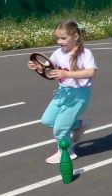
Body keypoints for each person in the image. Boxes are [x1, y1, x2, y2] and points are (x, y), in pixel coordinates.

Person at [29, 20, 96, 164]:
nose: (59, 41)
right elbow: (48, 70)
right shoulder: (58, 53)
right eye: (58, 38)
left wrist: (67, 74)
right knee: (47, 120)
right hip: (62, 93)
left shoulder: (85, 54)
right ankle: (79, 125)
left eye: (63, 38)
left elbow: (91, 72)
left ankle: (66, 152)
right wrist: (37, 67)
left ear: (76, 36)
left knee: (59, 128)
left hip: (78, 95)